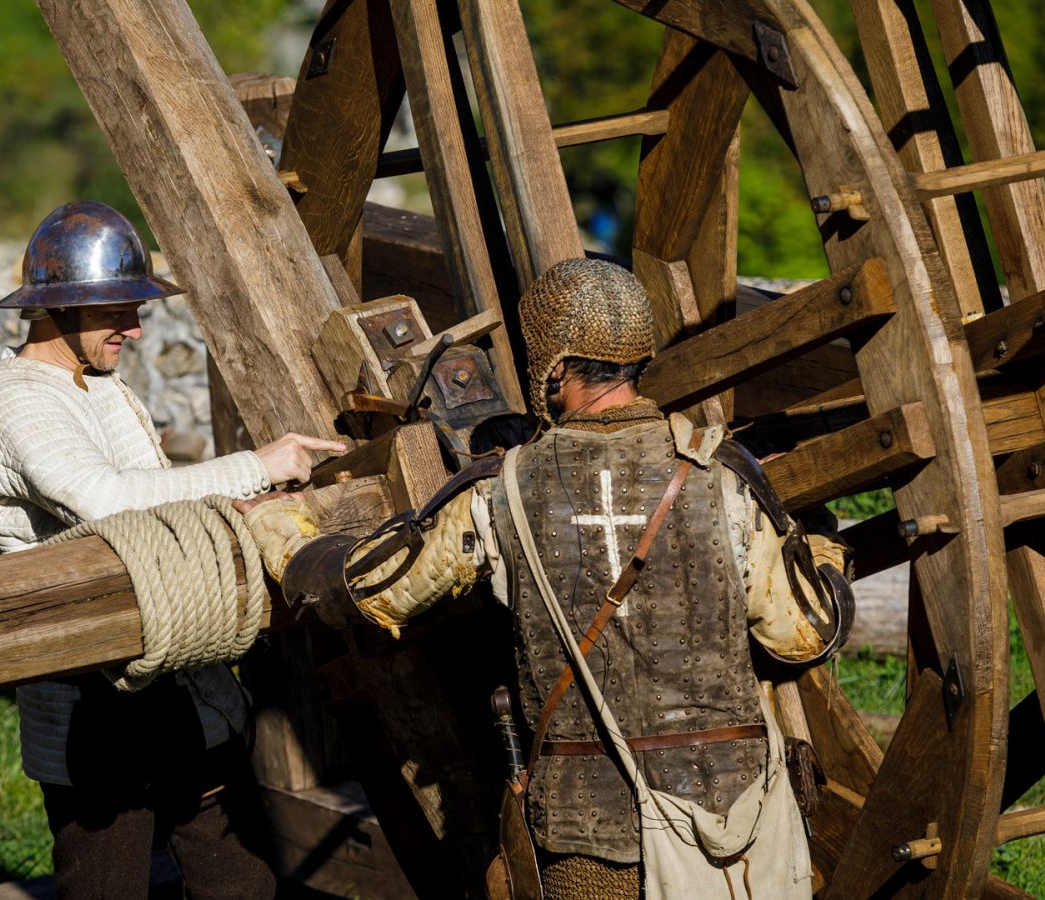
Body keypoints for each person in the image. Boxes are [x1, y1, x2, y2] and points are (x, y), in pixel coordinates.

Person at [243, 258, 854, 899]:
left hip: (590, 841)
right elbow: (805, 636)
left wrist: (280, 526)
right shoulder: (722, 474)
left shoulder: (504, 490)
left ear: (555, 368)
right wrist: (822, 551)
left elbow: (372, 591)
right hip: (729, 838)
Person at [0, 200, 345, 900]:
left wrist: (241, 508)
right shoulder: (15, 401)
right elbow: (107, 503)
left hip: (175, 677)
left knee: (242, 883)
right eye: (115, 311)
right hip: (91, 699)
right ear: (58, 311)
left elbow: (159, 513)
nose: (134, 329)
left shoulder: (99, 386)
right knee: (106, 888)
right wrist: (257, 466)